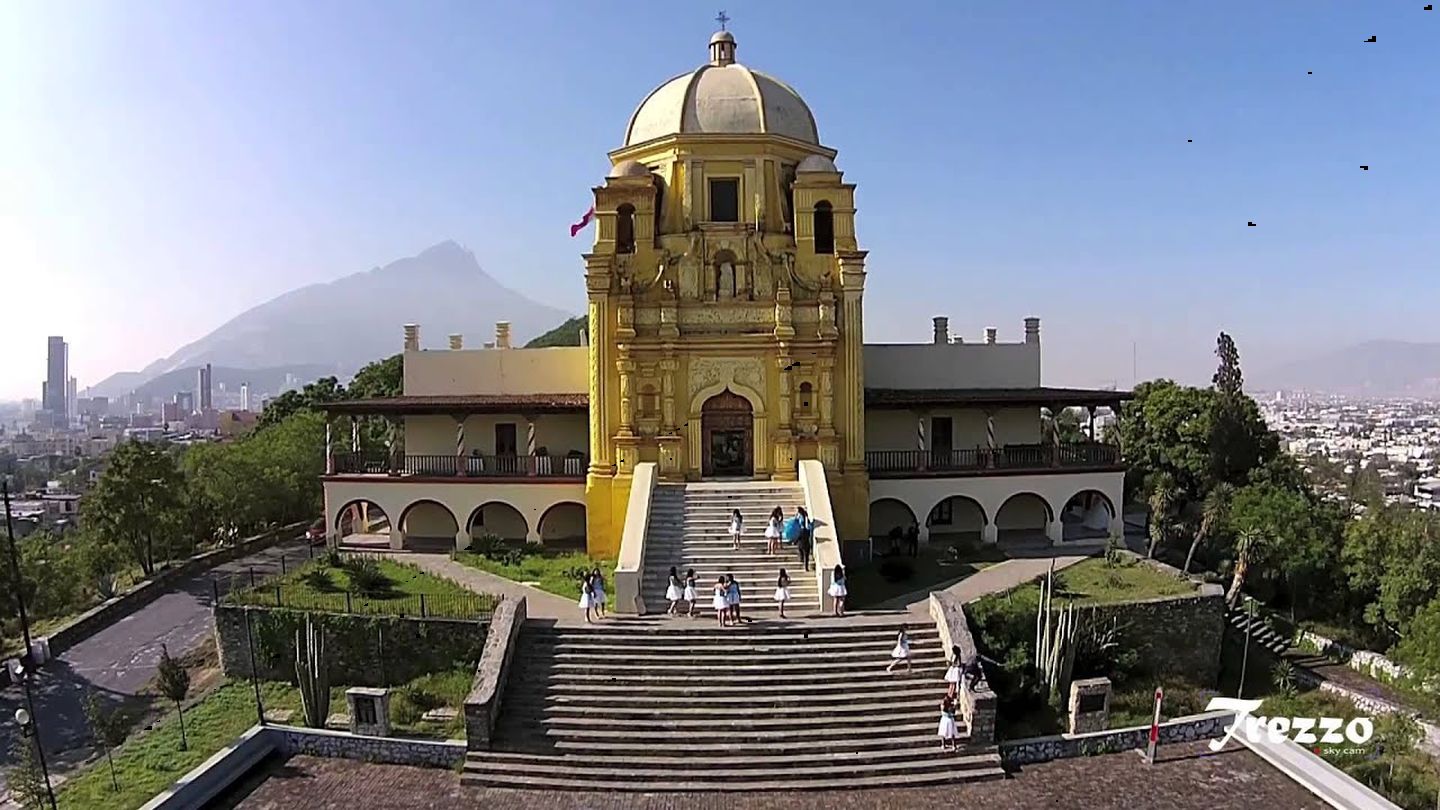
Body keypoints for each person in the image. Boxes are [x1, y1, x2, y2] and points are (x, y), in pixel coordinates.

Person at [795, 507, 813, 572]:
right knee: (806, 556)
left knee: (802, 553)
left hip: (802, 544)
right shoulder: (807, 531)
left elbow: (798, 537)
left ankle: (802, 559)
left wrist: (795, 541)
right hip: (806, 544)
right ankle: (806, 567)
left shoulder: (802, 530)